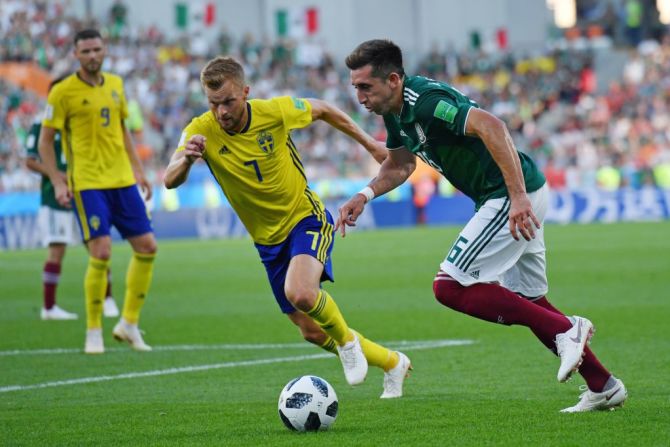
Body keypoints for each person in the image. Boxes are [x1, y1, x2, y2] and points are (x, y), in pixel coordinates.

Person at [337, 39, 627, 412]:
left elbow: (491, 125)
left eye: (365, 86)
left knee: (449, 286)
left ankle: (566, 329)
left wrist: (516, 196)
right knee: (528, 299)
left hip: (506, 194)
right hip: (519, 191)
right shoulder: (394, 113)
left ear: (393, 79)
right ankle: (603, 385)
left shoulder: (423, 102)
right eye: (355, 87)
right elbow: (400, 165)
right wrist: (364, 194)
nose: (359, 95)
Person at [164, 56, 411, 398]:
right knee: (309, 330)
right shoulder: (200, 129)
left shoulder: (274, 112)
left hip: (304, 217)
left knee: (302, 292)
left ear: (246, 92)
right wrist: (188, 160)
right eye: (214, 103)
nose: (222, 112)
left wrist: (369, 143)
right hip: (267, 241)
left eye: (229, 102)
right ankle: (392, 362)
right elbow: (169, 178)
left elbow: (323, 108)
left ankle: (347, 341)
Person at [38, 29, 157, 354]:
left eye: (97, 49)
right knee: (101, 251)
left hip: (121, 180)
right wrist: (59, 180)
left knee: (147, 247)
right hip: (88, 183)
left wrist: (138, 170)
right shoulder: (62, 92)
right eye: (86, 51)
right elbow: (44, 142)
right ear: (76, 54)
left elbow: (122, 131)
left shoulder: (117, 85)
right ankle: (93, 330)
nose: (93, 55)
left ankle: (129, 324)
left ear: (104, 51)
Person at [25, 76, 120, 321]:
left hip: (86, 190)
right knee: (57, 250)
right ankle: (49, 307)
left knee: (99, 246)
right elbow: (30, 160)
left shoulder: (81, 118)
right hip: (54, 197)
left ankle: (107, 299)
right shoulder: (41, 124)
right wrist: (56, 175)